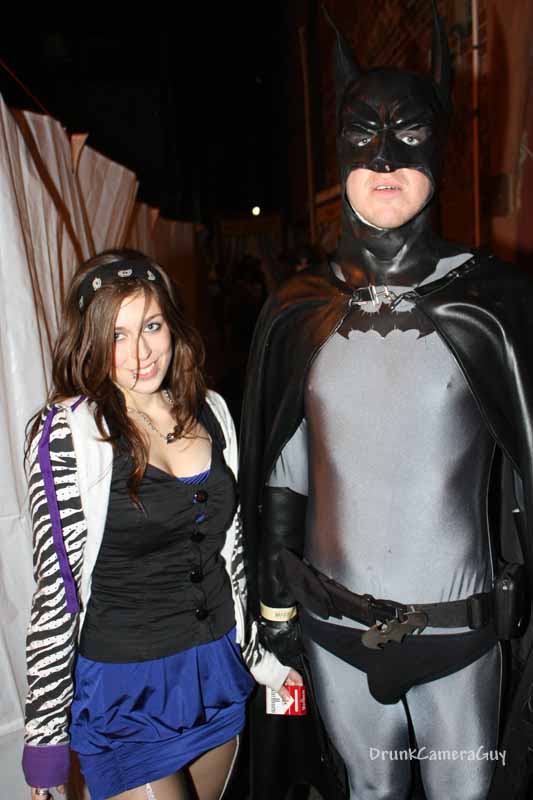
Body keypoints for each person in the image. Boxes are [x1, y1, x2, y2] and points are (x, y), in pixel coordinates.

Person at [240, 3, 533, 799]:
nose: (382, 157)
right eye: (362, 134)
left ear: (440, 145)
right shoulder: (299, 308)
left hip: (461, 637)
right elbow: (282, 471)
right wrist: (273, 613)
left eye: (407, 132)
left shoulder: (496, 301)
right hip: (333, 633)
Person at [21, 250, 293, 800]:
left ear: (173, 324)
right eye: (116, 336)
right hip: (126, 693)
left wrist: (261, 660)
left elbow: (232, 554)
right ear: (89, 343)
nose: (140, 353)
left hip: (215, 672)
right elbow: (57, 590)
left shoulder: (212, 411)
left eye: (151, 326)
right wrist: (45, 738)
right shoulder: (68, 434)